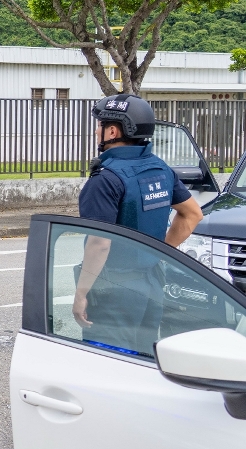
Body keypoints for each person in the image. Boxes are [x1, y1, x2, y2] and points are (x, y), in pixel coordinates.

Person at [72, 93, 203, 341]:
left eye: (100, 126)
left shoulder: (105, 180)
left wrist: (81, 294)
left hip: (114, 290)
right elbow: (192, 214)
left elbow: (99, 243)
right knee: (143, 357)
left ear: (112, 131)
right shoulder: (160, 168)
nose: (97, 132)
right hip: (153, 284)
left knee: (110, 358)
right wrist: (159, 252)